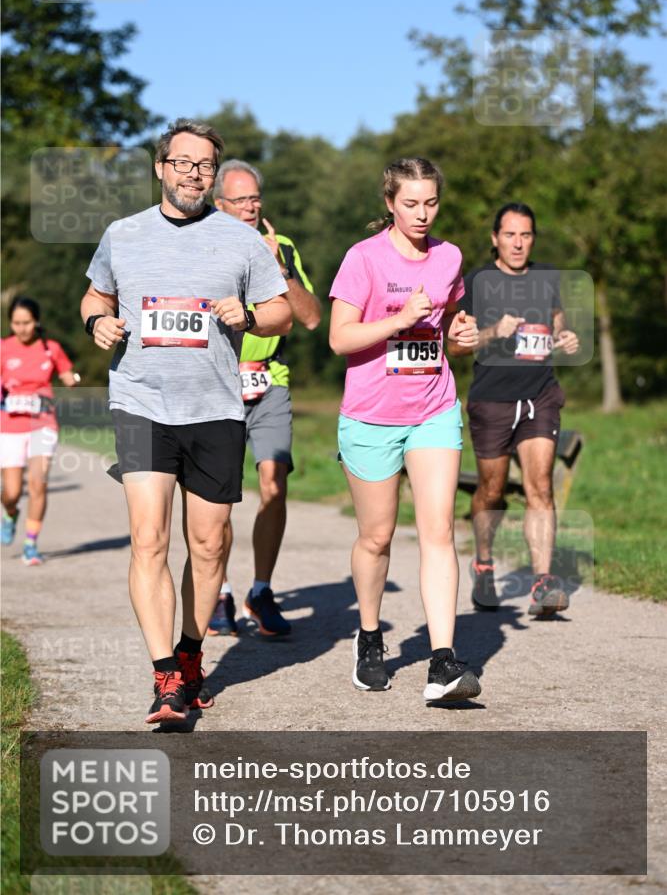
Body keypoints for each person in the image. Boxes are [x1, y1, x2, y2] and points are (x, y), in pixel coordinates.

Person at [80, 118, 291, 724]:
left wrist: (248, 316)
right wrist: (97, 323)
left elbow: (280, 313)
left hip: (216, 409)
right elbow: (95, 296)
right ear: (160, 167)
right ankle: (165, 677)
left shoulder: (241, 241)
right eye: (183, 162)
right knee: (149, 537)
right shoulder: (123, 235)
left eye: (203, 166)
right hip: (142, 401)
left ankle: (192, 653)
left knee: (209, 542)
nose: (193, 173)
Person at [329, 157, 481, 701]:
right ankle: (370, 637)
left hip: (434, 408)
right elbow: (339, 339)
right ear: (390, 203)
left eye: (431, 203)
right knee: (377, 536)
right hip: (371, 415)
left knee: (438, 530)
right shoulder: (362, 259)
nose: (422, 214)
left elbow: (452, 331)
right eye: (411, 203)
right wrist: (398, 319)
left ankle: (443, 661)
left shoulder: (450, 257)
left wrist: (464, 335)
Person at [206, 160, 321, 638]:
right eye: (241, 200)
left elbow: (312, 318)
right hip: (215, 385)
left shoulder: (284, 246)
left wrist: (279, 269)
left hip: (269, 381)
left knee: (274, 485)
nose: (252, 207)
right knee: (218, 499)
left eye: (256, 198)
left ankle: (261, 589)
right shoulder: (201, 246)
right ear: (219, 205)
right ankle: (220, 592)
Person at [456, 202, 579, 617]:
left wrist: (564, 336)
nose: (518, 243)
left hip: (540, 393)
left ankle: (544, 581)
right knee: (491, 491)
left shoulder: (545, 277)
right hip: (492, 398)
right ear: (495, 238)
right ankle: (484, 560)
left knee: (539, 486)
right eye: (510, 234)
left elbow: (557, 318)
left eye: (525, 235)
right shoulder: (477, 282)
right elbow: (458, 344)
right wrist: (494, 331)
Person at [1, 296, 80, 565]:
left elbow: (68, 375)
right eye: (16, 323)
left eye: (26, 322)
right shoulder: (3, 348)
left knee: (38, 485)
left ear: (36, 322)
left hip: (42, 424)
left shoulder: (51, 348)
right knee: (11, 491)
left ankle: (30, 544)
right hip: (9, 426)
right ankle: (10, 513)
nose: (21, 328)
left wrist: (72, 380)